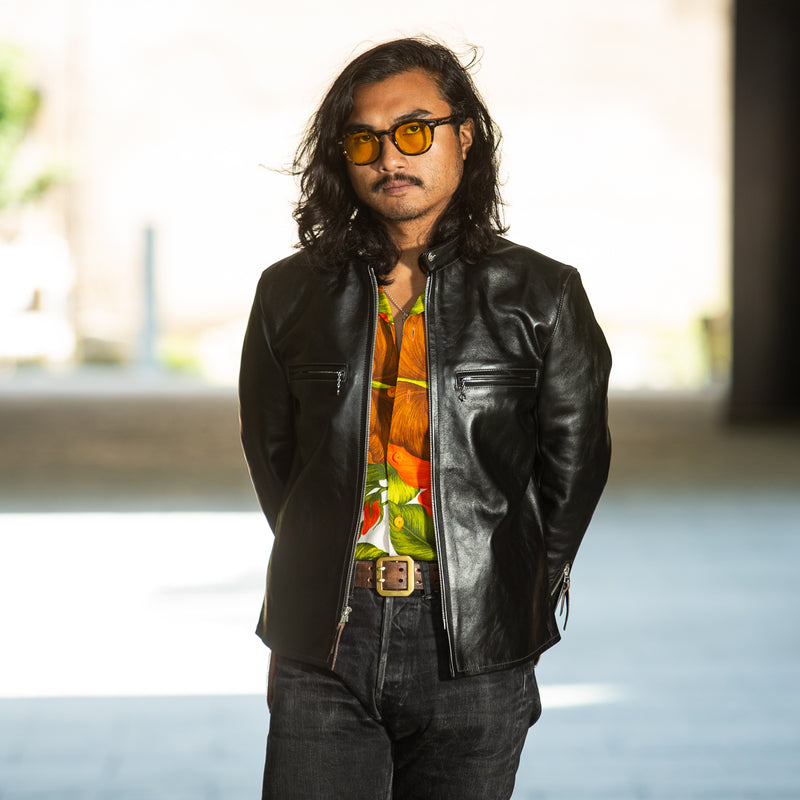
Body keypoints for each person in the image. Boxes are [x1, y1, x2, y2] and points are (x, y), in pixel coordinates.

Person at [239, 36, 611, 800]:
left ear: (463, 135)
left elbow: (573, 469)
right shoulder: (289, 292)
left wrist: (513, 593)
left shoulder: (541, 294)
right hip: (325, 640)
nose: (389, 158)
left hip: (473, 642)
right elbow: (275, 456)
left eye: (413, 131)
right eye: (364, 140)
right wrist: (324, 565)